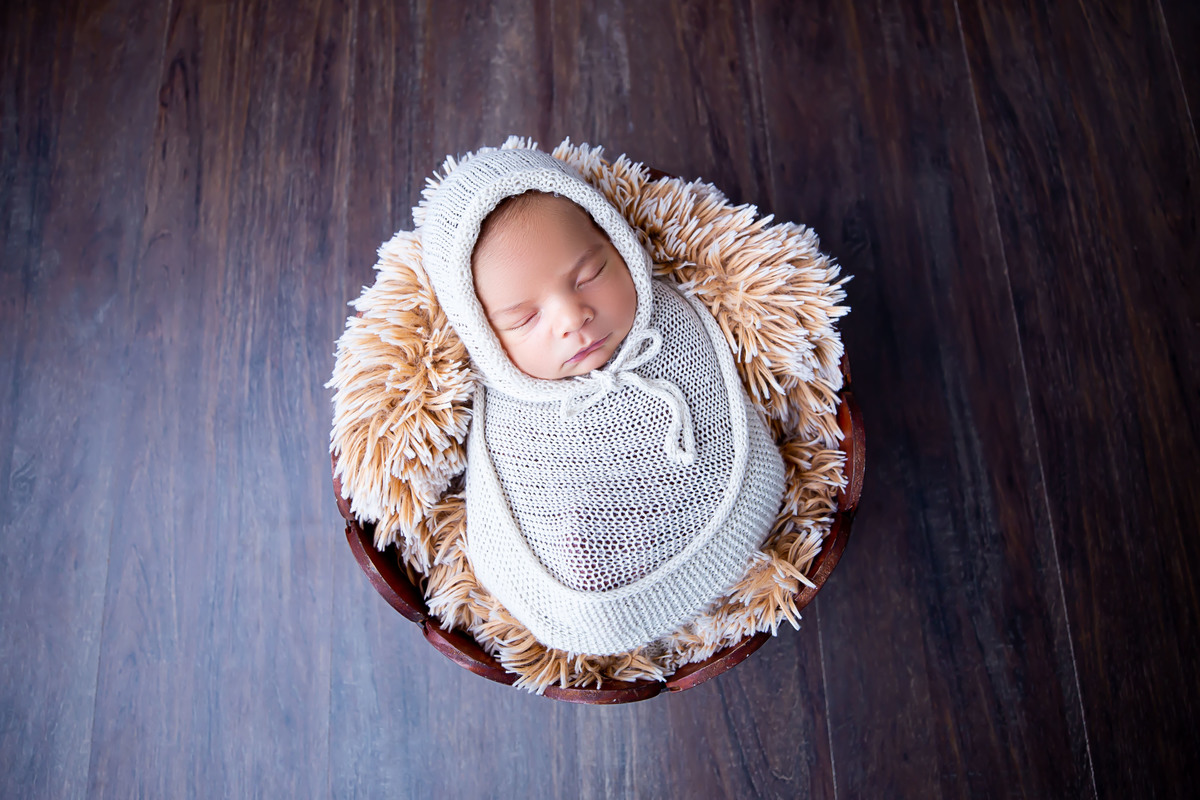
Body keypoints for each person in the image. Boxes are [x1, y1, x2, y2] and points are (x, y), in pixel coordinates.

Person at [418, 146, 785, 656]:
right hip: (595, 577)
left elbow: (727, 439)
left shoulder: (673, 328)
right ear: (484, 337)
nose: (573, 317)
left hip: (736, 538)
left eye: (589, 274)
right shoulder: (512, 416)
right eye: (524, 319)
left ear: (619, 242)